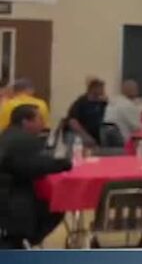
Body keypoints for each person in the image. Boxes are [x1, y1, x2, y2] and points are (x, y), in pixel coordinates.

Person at [0, 105, 71, 247]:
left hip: (7, 191)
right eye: (39, 119)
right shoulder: (25, 140)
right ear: (26, 122)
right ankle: (25, 241)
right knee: (55, 207)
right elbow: (36, 166)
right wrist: (65, 164)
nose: (43, 123)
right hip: (11, 198)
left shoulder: (7, 135)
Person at [102, 79, 142, 148]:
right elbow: (137, 127)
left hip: (106, 139)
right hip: (122, 141)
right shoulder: (129, 105)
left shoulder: (113, 101)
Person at [66, 78, 107, 147]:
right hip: (81, 138)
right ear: (93, 88)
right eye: (100, 88)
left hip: (97, 140)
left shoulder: (102, 104)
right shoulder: (81, 102)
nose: (103, 90)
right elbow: (73, 121)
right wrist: (85, 136)